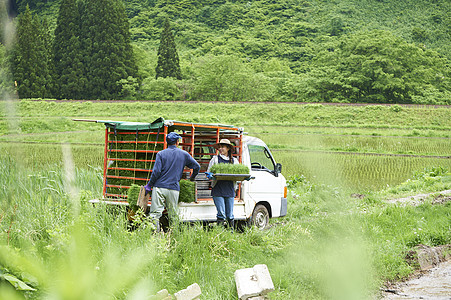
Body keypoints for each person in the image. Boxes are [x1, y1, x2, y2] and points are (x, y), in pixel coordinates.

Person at [144, 132, 200, 230]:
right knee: (173, 214)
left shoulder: (161, 154)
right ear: (177, 142)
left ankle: (154, 237)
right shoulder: (184, 154)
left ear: (167, 142)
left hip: (159, 187)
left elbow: (156, 172)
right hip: (173, 188)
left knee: (155, 214)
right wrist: (192, 178)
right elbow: (197, 166)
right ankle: (174, 236)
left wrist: (150, 184)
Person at [207, 139, 239, 230]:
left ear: (228, 148)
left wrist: (244, 177)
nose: (220, 149)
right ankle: (220, 234)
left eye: (223, 147)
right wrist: (210, 176)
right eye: (219, 147)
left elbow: (239, 176)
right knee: (221, 213)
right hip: (218, 190)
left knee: (230, 214)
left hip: (229, 190)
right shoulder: (215, 160)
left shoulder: (234, 161)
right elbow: (209, 173)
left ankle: (230, 233)